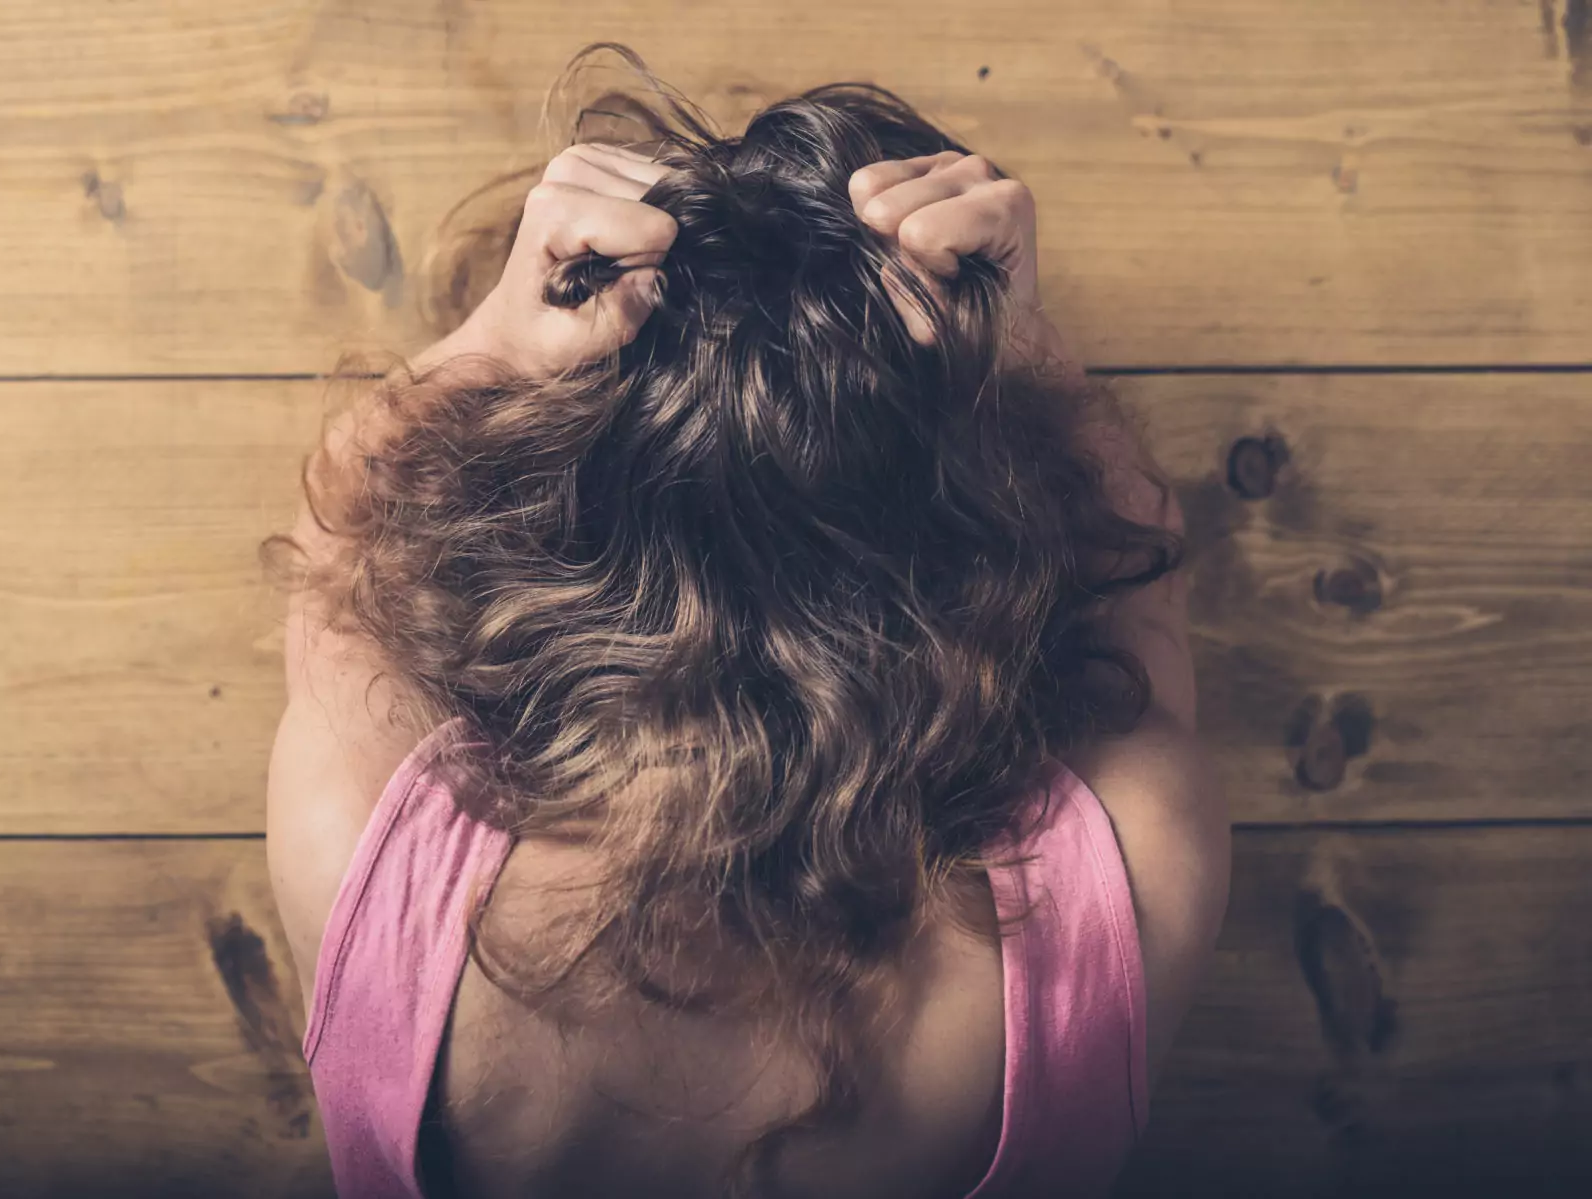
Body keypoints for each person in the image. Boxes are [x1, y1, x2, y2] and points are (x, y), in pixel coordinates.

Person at [264, 51, 1228, 1199]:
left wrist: (496, 345)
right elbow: (1136, 584)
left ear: (547, 531)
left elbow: (338, 552)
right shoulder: (1101, 910)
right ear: (976, 541)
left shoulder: (384, 884)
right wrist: (1018, 352)